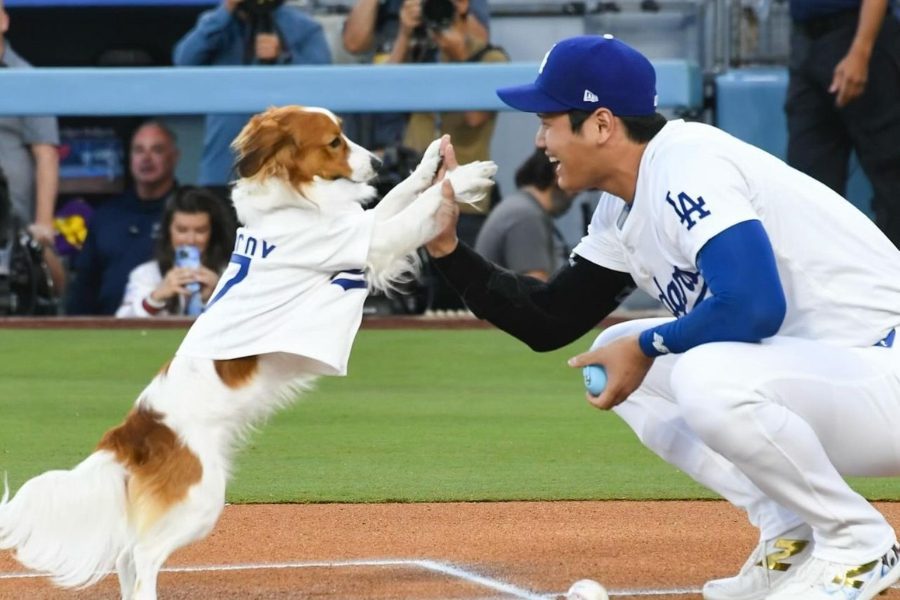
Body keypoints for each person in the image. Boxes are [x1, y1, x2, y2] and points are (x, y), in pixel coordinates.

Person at [425, 35, 900, 600]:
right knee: (617, 353)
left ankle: (857, 543)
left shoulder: (687, 163)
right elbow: (547, 320)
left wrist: (650, 345)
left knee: (695, 371)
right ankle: (790, 534)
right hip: (842, 379)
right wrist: (446, 247)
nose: (539, 138)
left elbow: (754, 305)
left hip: (883, 367)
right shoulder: (623, 201)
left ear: (601, 124)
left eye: (549, 119)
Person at [172, 0, 332, 190]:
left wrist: (284, 56)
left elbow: (323, 84)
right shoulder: (217, 23)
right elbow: (183, 60)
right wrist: (226, 10)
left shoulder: (303, 27)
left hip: (286, 170)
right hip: (222, 165)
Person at [786, 0, 900, 247]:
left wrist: (861, 49)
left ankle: (893, 277)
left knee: (892, 180)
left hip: (858, 35)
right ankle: (822, 280)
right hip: (805, 41)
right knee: (808, 186)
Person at [402, 0, 507, 246]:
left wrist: (459, 58)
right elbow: (379, 92)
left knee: (457, 278)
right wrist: (404, 33)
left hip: (464, 199)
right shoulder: (423, 54)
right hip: (415, 195)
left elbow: (475, 117)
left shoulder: (491, 59)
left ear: (462, 7)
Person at [341, 0, 490, 151]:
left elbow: (480, 44)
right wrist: (405, 33)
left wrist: (448, 9)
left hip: (445, 126)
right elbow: (354, 44)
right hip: (388, 124)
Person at [67, 121, 180, 315]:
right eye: (138, 150)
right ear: (129, 157)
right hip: (106, 330)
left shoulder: (189, 214)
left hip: (171, 328)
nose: (146, 158)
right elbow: (84, 286)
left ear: (174, 157)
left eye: (157, 150)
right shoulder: (106, 215)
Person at [116, 186, 234, 318]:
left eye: (200, 231)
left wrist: (219, 294)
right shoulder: (145, 275)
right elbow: (120, 325)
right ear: (168, 231)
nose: (190, 240)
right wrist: (155, 298)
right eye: (182, 230)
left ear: (213, 233)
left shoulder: (230, 275)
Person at [0, 0, 60, 248]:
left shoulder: (27, 78)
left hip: (12, 226)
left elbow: (46, 154)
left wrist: (43, 225)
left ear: (3, 21)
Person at [474, 147, 573, 281]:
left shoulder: (522, 208)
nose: (576, 193)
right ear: (558, 173)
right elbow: (535, 291)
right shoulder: (526, 217)